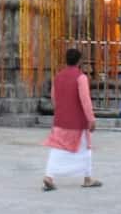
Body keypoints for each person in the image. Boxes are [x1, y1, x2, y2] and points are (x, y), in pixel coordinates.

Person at [42, 48, 101, 191]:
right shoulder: (81, 78)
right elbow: (85, 100)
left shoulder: (58, 77)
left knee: (57, 148)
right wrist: (91, 119)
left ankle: (49, 176)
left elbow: (54, 98)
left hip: (61, 120)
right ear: (79, 61)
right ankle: (87, 178)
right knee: (85, 149)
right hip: (77, 122)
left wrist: (60, 111)